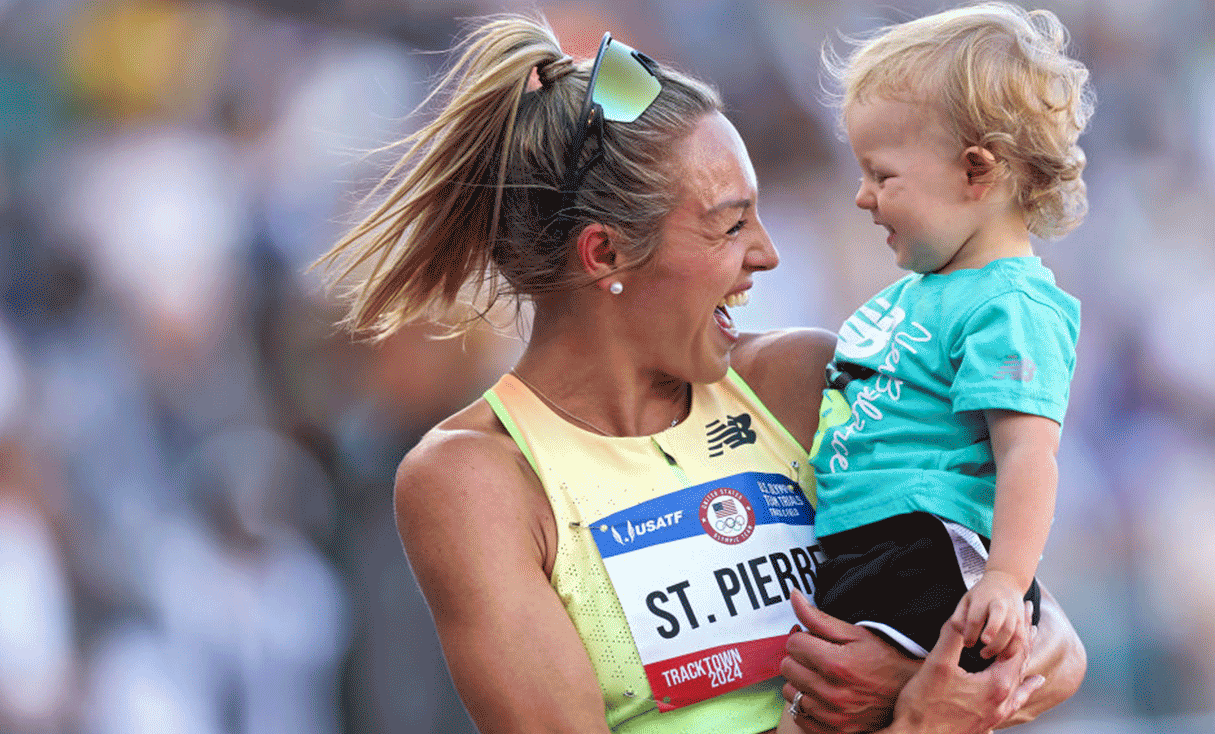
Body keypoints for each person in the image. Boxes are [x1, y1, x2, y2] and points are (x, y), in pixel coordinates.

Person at [316, 13, 1084, 734]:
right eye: (730, 223)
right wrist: (919, 717)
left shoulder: (800, 375)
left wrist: (916, 672)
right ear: (606, 254)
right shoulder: (475, 477)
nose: (767, 254)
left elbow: (1053, 640)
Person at [785, 4, 1093, 731]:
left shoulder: (1010, 303)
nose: (862, 196)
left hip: (922, 549)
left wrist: (1007, 581)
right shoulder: (920, 292)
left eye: (881, 174)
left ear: (975, 170)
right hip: (860, 545)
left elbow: (1027, 453)